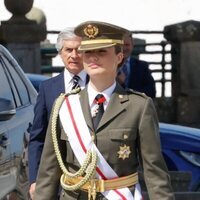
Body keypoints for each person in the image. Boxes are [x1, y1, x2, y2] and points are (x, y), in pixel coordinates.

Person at [34, 21, 175, 200]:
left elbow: (155, 172)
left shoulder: (138, 106)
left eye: (101, 51)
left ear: (119, 57)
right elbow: (48, 171)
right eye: (88, 52)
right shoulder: (65, 105)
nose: (93, 58)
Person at [28, 28, 88, 199]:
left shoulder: (98, 85)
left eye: (79, 50)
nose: (74, 55)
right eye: (68, 50)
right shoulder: (48, 88)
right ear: (60, 54)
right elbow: (37, 137)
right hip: (57, 176)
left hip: (94, 174)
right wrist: (34, 180)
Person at [117, 31, 156, 98]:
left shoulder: (142, 66)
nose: (123, 48)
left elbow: (151, 91)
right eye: (121, 45)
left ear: (132, 46)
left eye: (127, 45)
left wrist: (126, 89)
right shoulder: (109, 65)